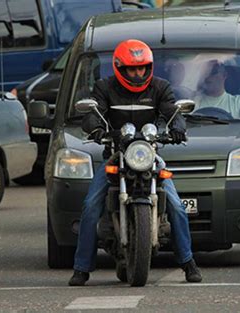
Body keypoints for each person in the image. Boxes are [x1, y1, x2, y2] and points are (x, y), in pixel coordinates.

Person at [68, 39, 202, 286]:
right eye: (132, 69)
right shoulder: (104, 87)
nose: (138, 73)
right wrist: (97, 129)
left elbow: (173, 111)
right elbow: (91, 114)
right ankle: (81, 268)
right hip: (116, 153)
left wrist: (178, 128)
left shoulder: (160, 87)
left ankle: (188, 262)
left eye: (142, 68)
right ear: (120, 67)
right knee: (90, 205)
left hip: (149, 153)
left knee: (177, 205)